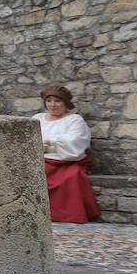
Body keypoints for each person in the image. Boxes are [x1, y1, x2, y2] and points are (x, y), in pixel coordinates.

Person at [35, 85, 99, 224]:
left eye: (57, 101)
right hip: (40, 160)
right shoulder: (37, 119)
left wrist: (51, 141)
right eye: (49, 101)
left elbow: (76, 140)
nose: (52, 105)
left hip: (66, 160)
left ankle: (65, 215)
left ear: (66, 103)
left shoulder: (74, 120)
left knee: (72, 176)